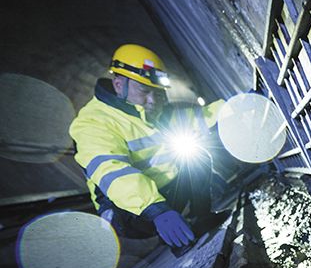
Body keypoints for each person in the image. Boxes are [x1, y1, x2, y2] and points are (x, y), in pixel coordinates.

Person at [69, 44, 228, 251]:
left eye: (158, 93)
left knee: (199, 157)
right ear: (119, 84)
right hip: (128, 210)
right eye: (144, 91)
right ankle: (176, 239)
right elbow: (114, 173)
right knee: (143, 203)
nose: (152, 100)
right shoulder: (92, 123)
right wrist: (156, 209)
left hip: (161, 192)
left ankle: (201, 219)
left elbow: (200, 118)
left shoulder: (153, 110)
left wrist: (237, 106)